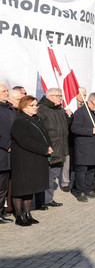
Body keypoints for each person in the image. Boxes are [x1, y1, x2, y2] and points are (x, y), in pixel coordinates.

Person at [10, 96, 52, 226]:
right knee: (21, 189)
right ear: (23, 107)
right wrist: (44, 149)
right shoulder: (20, 121)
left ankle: (28, 213)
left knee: (30, 188)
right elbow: (25, 141)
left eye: (36, 105)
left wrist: (49, 147)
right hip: (23, 160)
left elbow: (45, 135)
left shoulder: (36, 119)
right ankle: (19, 215)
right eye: (32, 106)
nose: (35, 108)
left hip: (34, 159)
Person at [35, 88, 71, 209]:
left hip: (61, 148)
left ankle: (48, 199)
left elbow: (66, 127)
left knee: (53, 176)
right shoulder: (42, 109)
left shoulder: (60, 109)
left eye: (61, 96)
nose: (61, 98)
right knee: (44, 176)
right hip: (49, 148)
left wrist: (69, 117)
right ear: (50, 96)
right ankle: (41, 201)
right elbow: (39, 130)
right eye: (58, 96)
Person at [71, 93, 95, 202]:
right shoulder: (80, 112)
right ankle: (80, 191)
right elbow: (75, 128)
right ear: (89, 101)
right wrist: (90, 131)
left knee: (92, 169)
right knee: (82, 170)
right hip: (84, 147)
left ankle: (88, 188)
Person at [0, 84, 16, 224]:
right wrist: (7, 145)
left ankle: (1, 212)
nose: (7, 93)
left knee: (4, 187)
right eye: (4, 91)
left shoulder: (11, 109)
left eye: (7, 91)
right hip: (2, 154)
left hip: (11, 155)